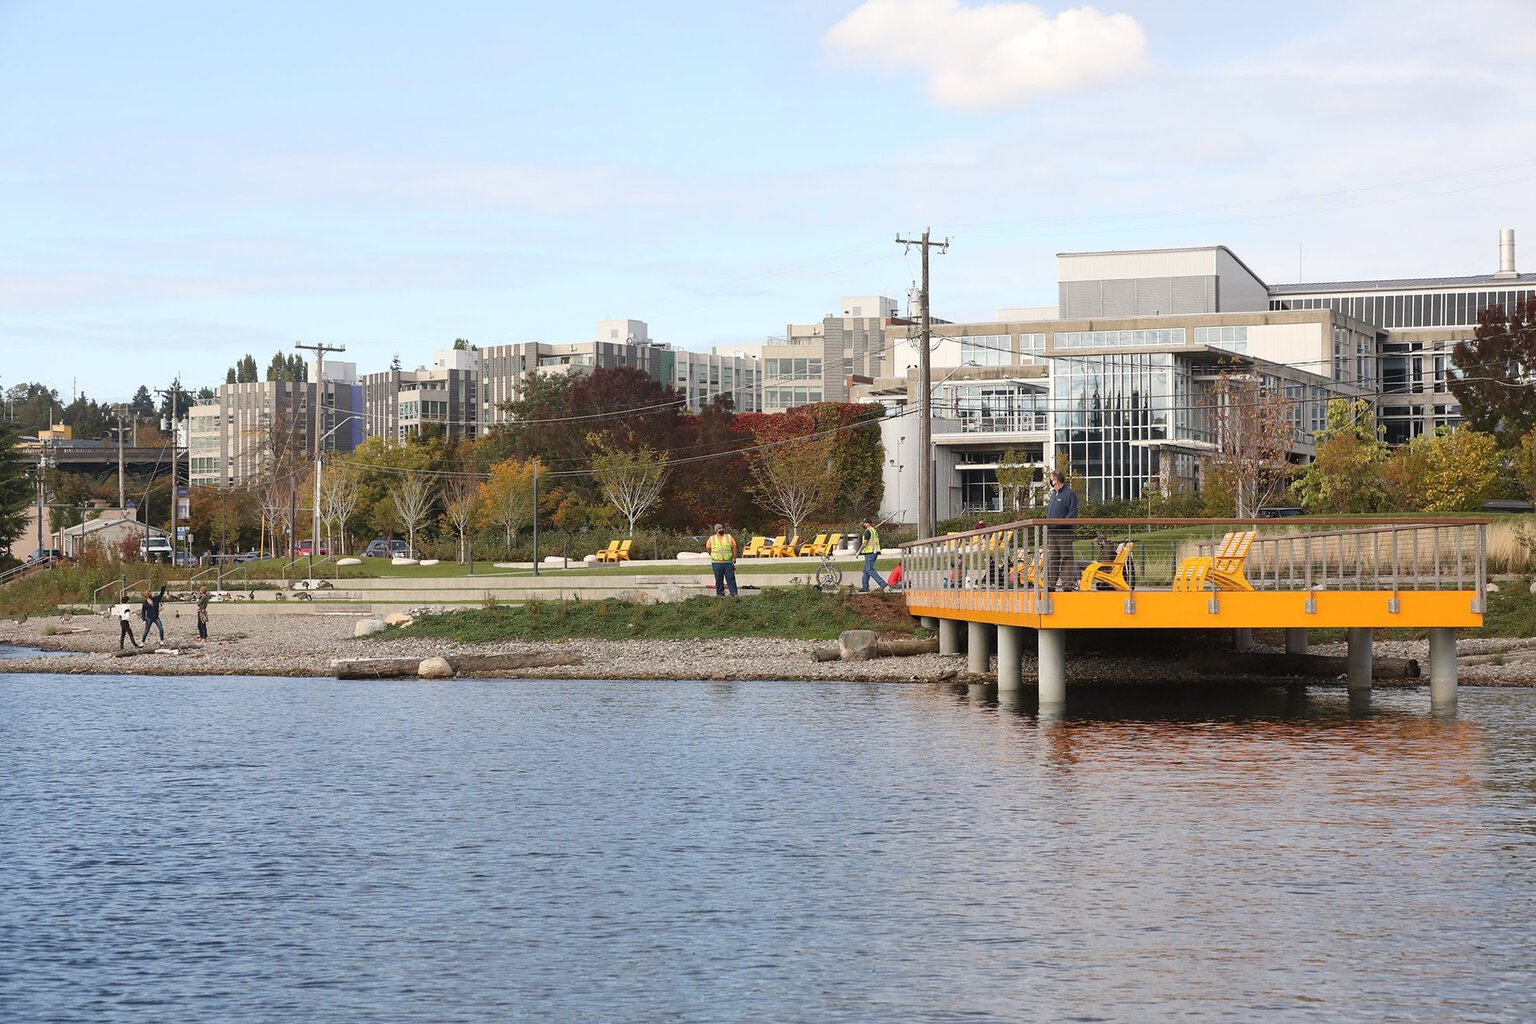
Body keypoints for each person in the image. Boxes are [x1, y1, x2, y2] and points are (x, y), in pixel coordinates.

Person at [1044, 469, 1079, 591]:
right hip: (1052, 531)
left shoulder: (1069, 493)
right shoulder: (1053, 494)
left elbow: (1073, 512)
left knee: (1066, 557)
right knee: (1052, 558)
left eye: (1051, 479)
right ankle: (1051, 584)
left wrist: (1062, 522)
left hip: (1064, 531)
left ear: (1056, 480)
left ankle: (1067, 584)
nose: (1050, 482)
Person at [705, 523, 738, 597]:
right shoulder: (712, 538)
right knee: (719, 580)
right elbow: (708, 548)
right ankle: (720, 594)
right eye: (719, 529)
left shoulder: (729, 537)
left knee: (731, 579)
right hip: (716, 563)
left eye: (722, 528)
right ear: (716, 530)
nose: (721, 530)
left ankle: (734, 594)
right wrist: (713, 555)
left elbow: (734, 546)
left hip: (728, 562)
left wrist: (734, 558)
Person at [858, 518, 886, 592]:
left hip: (870, 552)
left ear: (868, 523)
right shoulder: (874, 531)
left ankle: (882, 583)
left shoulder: (868, 531)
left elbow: (865, 543)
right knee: (866, 570)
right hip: (873, 551)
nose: (863, 525)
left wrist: (859, 551)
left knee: (869, 569)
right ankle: (865, 587)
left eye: (864, 523)